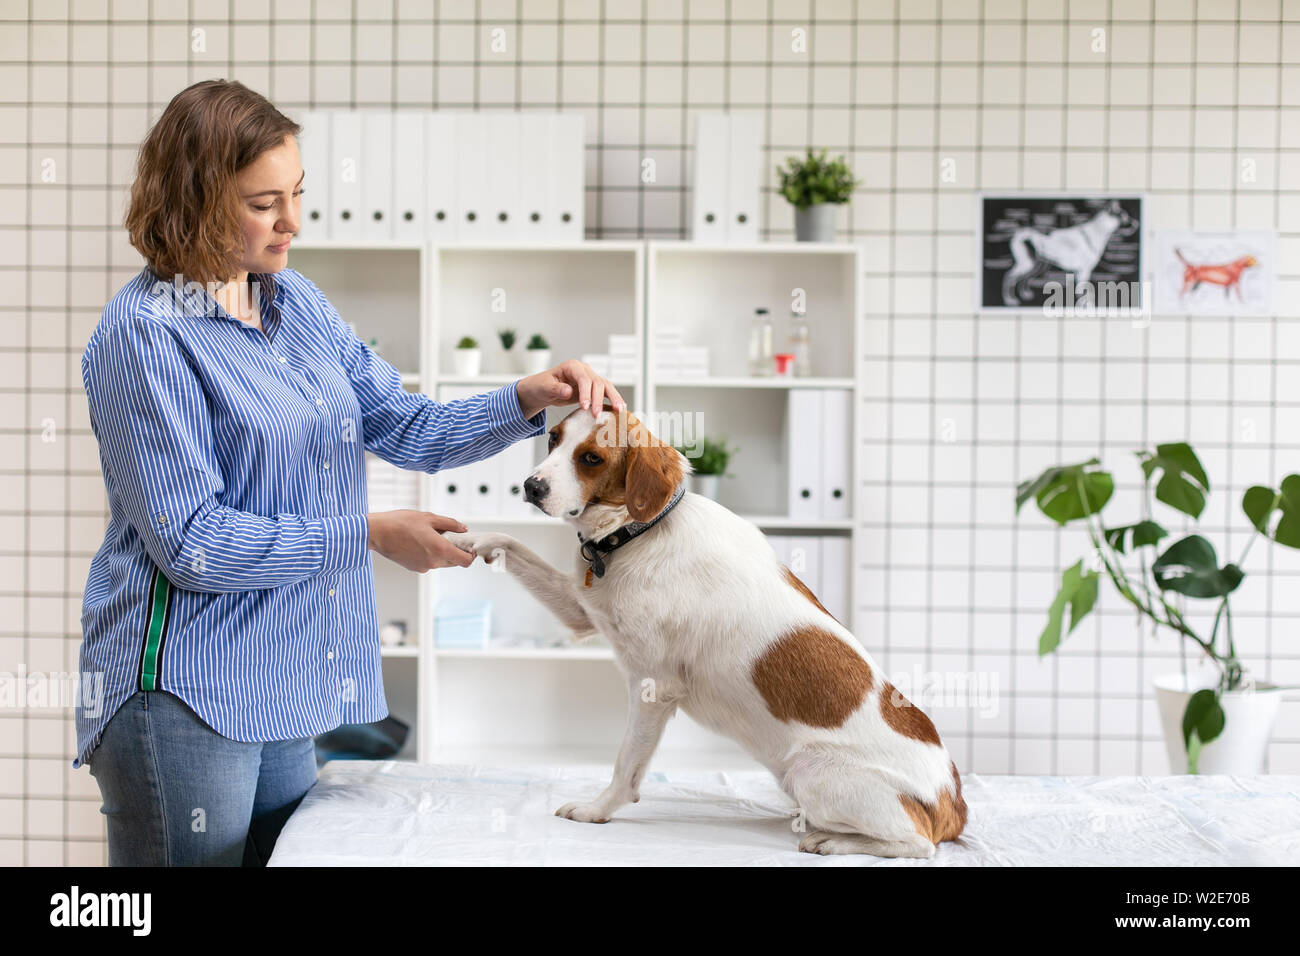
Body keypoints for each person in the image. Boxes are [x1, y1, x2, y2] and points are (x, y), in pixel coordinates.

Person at [74, 79, 625, 866]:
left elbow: (407, 426)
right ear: (193, 199)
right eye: (264, 203)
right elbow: (193, 545)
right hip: (184, 693)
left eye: (297, 193)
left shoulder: (296, 304)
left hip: (285, 679)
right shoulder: (145, 338)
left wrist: (525, 400)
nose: (292, 221)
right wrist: (367, 535)